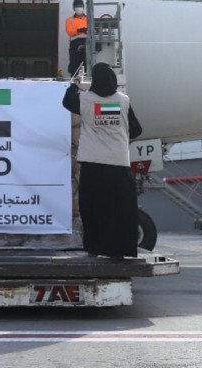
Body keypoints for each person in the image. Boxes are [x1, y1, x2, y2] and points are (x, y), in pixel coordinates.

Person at [61, 62, 143, 258]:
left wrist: (75, 83)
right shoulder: (123, 101)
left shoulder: (85, 100)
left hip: (93, 164)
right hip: (119, 163)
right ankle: (121, 250)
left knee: (94, 209)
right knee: (121, 210)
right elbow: (137, 130)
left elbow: (66, 101)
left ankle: (95, 248)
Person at [65, 0, 88, 77]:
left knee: (86, 63)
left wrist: (87, 30)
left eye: (80, 6)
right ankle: (74, 82)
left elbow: (95, 30)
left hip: (87, 42)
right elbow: (69, 31)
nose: (79, 8)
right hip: (75, 44)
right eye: (77, 6)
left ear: (83, 7)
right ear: (74, 8)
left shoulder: (88, 19)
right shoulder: (69, 20)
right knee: (75, 65)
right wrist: (79, 30)